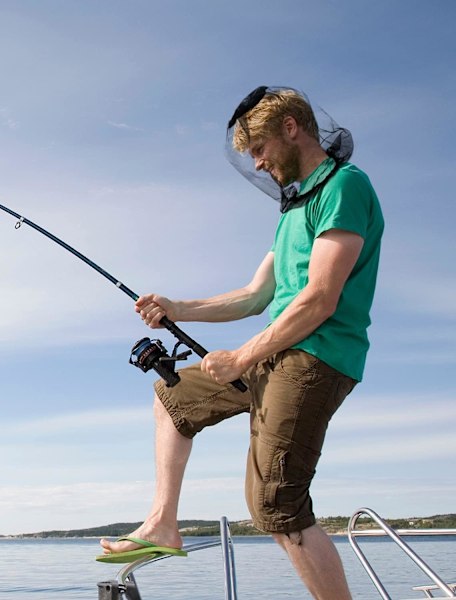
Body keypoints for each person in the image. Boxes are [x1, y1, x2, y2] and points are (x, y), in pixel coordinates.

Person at [98, 86, 384, 600]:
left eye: (258, 150)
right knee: (173, 397)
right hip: (276, 353)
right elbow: (255, 296)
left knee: (275, 506)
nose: (256, 165)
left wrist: (242, 356)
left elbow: (319, 300)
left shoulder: (346, 187)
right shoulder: (292, 212)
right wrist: (177, 309)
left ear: (290, 129)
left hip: (318, 358)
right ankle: (162, 524)